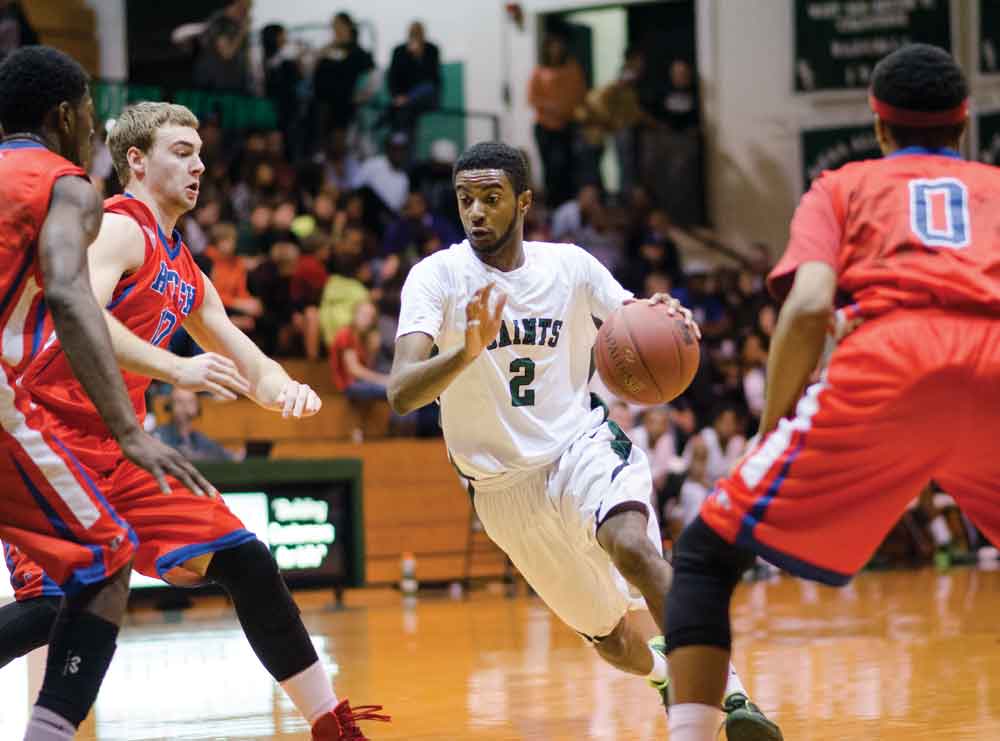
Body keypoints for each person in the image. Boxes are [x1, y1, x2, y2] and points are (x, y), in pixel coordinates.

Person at [0, 101, 388, 740]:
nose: (199, 164)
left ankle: (331, 724)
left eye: (200, 151)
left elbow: (237, 347)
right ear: (135, 160)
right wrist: (178, 369)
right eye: (181, 150)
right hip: (52, 439)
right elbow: (82, 323)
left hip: (125, 451)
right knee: (56, 606)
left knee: (246, 559)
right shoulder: (118, 227)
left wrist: (283, 386)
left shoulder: (182, 265)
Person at [663, 43, 1000, 741]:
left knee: (704, 552)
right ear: (963, 126)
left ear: (879, 129)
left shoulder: (843, 185)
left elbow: (811, 304)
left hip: (891, 358)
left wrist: (769, 428)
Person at [388, 142, 780, 737]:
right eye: (465, 199)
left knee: (633, 548)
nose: (475, 212)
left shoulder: (569, 266)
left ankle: (729, 697)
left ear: (522, 202)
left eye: (491, 198)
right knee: (614, 640)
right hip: (501, 490)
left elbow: (636, 321)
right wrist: (464, 351)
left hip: (580, 448)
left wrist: (667, 315)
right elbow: (400, 392)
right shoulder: (436, 278)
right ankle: (663, 678)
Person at [0, 46, 211, 741]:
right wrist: (128, 428)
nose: (94, 132)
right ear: (63, 115)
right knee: (105, 558)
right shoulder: (66, 183)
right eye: (90, 116)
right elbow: (68, 291)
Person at [527, 32, 587, 207]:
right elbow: (532, 99)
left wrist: (566, 109)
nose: (556, 49)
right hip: (545, 127)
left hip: (567, 125)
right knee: (551, 168)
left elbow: (580, 95)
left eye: (559, 45)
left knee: (568, 166)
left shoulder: (572, 69)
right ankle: (553, 205)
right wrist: (551, 106)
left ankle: (568, 203)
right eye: (552, 45)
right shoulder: (539, 71)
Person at [312, 12, 376, 148]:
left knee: (338, 146)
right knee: (323, 146)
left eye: (338, 25)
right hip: (322, 104)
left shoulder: (356, 51)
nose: (335, 29)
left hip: (343, 106)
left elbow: (373, 74)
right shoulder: (327, 49)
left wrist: (364, 95)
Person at [386, 21, 442, 144]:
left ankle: (399, 105)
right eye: (413, 32)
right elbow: (393, 77)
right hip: (406, 102)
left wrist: (418, 57)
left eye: (418, 32)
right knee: (407, 124)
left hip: (426, 96)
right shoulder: (400, 51)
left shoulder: (432, 50)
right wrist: (396, 96)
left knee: (426, 88)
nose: (415, 35)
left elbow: (432, 78)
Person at [154, 387, 234, 461]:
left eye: (190, 402)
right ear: (169, 406)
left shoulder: (199, 438)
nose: (185, 407)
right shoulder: (159, 435)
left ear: (197, 407)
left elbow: (226, 457)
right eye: (179, 402)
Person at [193, 0, 252, 92]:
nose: (251, 6)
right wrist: (242, 31)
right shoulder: (220, 21)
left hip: (230, 84)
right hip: (214, 83)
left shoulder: (237, 23)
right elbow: (226, 53)